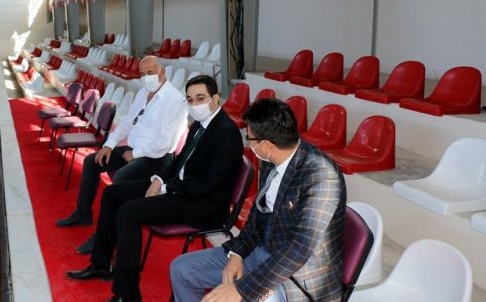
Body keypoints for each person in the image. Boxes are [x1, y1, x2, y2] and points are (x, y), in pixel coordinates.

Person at [67, 75, 244, 302]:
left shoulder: (226, 133)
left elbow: (208, 184)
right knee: (112, 194)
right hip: (181, 188)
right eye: (190, 100)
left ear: (216, 98)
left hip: (200, 203)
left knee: (128, 213)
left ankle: (127, 294)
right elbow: (179, 161)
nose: (195, 104)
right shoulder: (200, 124)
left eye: (200, 98)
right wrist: (159, 179)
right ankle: (101, 265)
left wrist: (166, 188)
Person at [170, 98, 346, 302]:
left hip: (296, 276)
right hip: (260, 252)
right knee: (182, 269)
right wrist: (237, 254)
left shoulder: (322, 176)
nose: (248, 143)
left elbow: (300, 248)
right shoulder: (272, 159)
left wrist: (242, 289)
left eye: (250, 138)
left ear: (267, 145)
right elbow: (257, 214)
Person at [56, 56, 188, 228]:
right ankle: (83, 214)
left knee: (121, 177)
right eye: (142, 74)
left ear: (162, 72)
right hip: (133, 149)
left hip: (156, 158)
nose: (146, 77)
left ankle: (107, 232)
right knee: (92, 161)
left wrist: (134, 154)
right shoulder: (143, 93)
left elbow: (165, 145)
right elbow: (127, 122)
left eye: (150, 72)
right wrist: (109, 144)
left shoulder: (175, 101)